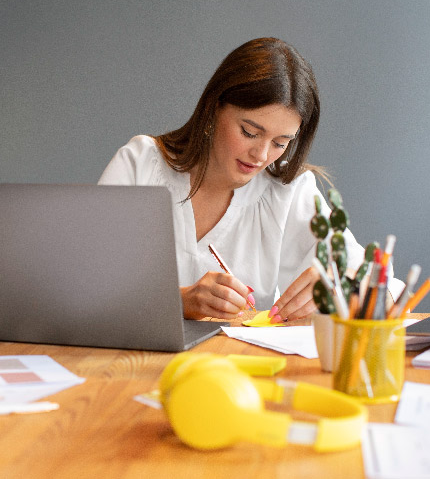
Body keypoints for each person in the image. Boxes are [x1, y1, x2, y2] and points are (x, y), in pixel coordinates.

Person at [99, 37, 399, 323]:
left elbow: (377, 282)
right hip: (128, 369)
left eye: (281, 142)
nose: (261, 154)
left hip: (246, 372)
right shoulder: (141, 164)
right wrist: (180, 301)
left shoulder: (288, 191)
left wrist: (342, 287)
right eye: (250, 132)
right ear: (215, 107)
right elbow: (83, 285)